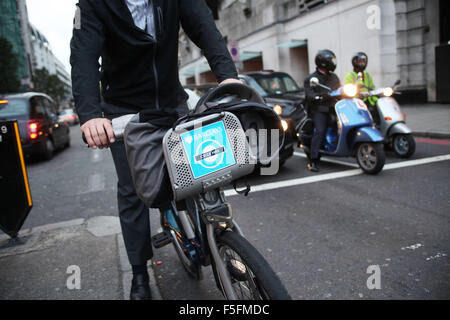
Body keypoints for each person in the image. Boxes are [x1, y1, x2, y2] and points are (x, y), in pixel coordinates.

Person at [70, 0, 240, 300]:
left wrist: (228, 78)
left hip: (171, 101)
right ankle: (138, 272)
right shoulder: (94, 4)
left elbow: (204, 28)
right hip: (124, 110)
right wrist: (90, 115)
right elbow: (83, 57)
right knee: (132, 191)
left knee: (204, 170)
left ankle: (221, 239)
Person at [304, 49, 341, 173]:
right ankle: (313, 160)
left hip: (334, 108)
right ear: (323, 62)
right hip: (319, 109)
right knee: (320, 130)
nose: (333, 63)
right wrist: (319, 97)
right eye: (331, 60)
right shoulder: (312, 79)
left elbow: (339, 90)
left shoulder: (334, 77)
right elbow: (309, 95)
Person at [344, 52, 380, 124]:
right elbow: (347, 91)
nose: (362, 63)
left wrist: (376, 100)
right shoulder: (350, 75)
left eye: (364, 61)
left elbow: (372, 88)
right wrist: (358, 94)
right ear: (355, 62)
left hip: (369, 101)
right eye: (360, 61)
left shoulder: (367, 75)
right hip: (357, 102)